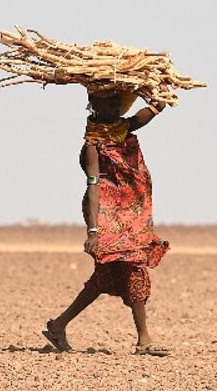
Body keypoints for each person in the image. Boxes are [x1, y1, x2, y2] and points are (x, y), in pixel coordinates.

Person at [42, 90, 170, 356]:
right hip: (108, 216)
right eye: (105, 102)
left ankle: (58, 325)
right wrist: (93, 230)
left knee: (105, 277)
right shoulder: (92, 145)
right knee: (134, 268)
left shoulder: (123, 128)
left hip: (133, 215)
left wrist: (153, 88)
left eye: (116, 101)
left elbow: (153, 109)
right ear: (93, 104)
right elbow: (93, 187)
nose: (112, 107)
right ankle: (144, 340)